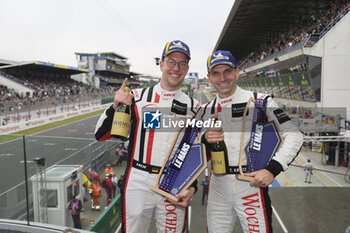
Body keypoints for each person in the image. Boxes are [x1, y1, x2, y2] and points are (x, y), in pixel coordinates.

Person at [94, 40, 201, 233]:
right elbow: (100, 134)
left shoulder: (195, 108)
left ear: (187, 69)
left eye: (182, 63)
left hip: (174, 181)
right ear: (161, 64)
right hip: (138, 179)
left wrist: (192, 186)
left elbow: (196, 153)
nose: (176, 68)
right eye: (171, 61)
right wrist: (115, 105)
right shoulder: (136, 97)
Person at [200, 50, 303, 233]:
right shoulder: (205, 109)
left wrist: (272, 169)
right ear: (209, 77)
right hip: (218, 187)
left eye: (227, 71)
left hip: (250, 185)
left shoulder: (261, 101)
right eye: (216, 73)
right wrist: (205, 139)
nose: (222, 77)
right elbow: (192, 148)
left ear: (237, 73)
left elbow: (294, 135)